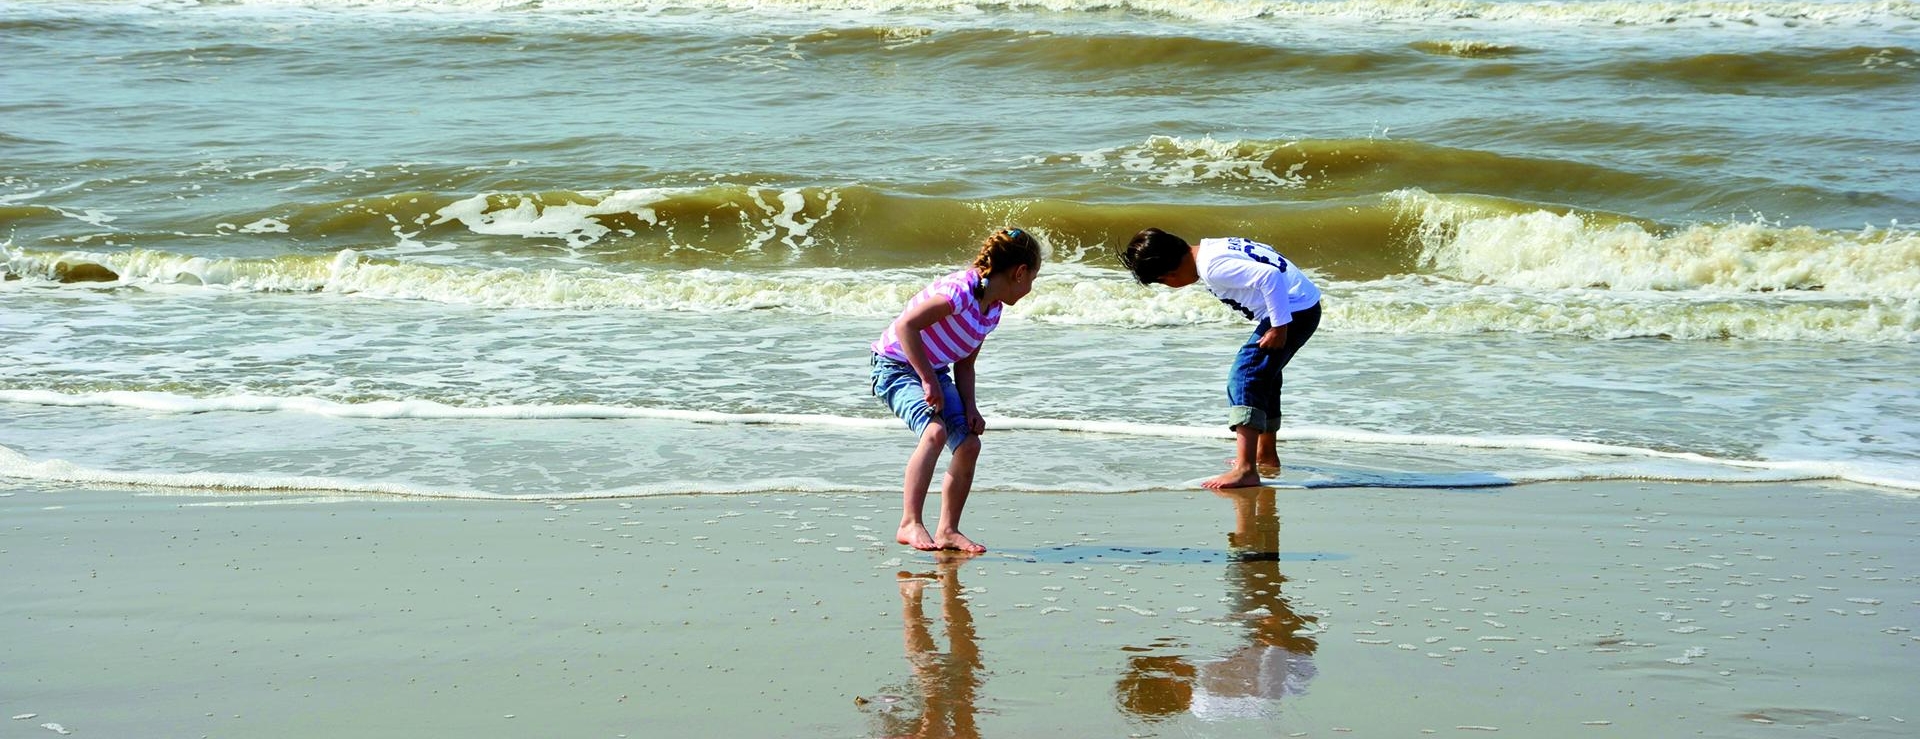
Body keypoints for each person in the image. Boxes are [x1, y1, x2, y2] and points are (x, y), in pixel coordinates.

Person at [871, 227, 1042, 552]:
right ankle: (909, 522)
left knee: (969, 445)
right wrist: (927, 380)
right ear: (1020, 273)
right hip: (895, 366)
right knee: (934, 433)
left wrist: (971, 407)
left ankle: (948, 530)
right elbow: (905, 326)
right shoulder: (960, 292)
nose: (1030, 288)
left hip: (933, 370)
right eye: (1032, 279)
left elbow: (964, 363)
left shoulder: (992, 310)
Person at [1120, 228, 1321, 489]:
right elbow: (1267, 253)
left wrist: (1279, 326)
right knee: (1264, 376)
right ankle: (1265, 454)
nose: (1168, 286)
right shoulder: (1211, 248)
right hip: (1300, 305)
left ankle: (1247, 470)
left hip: (1292, 312)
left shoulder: (1212, 268)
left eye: (1162, 281)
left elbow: (1269, 275)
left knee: (1244, 376)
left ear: (1169, 274)